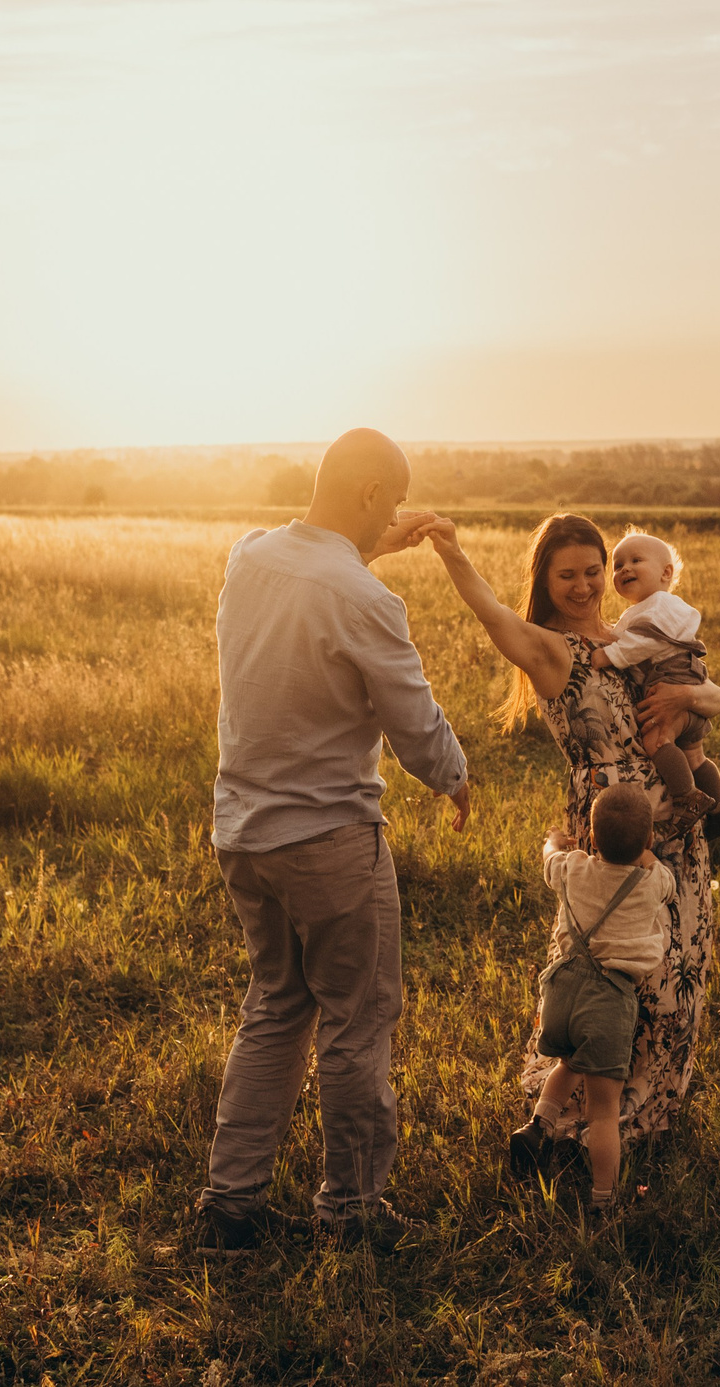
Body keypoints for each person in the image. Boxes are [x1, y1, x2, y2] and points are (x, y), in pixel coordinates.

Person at [193, 428, 472, 1254]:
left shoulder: (249, 557)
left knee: (276, 1008)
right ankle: (351, 1213)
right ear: (366, 497)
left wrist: (375, 542)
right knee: (358, 1019)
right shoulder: (365, 600)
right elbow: (414, 723)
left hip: (244, 832)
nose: (389, 517)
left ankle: (228, 1208)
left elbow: (325, 577)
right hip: (330, 839)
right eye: (385, 501)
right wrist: (453, 773)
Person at [421, 512, 720, 1159]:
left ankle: (652, 1103)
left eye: (595, 569)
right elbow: (491, 613)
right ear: (547, 579)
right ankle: (576, 1117)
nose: (587, 584)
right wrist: (451, 550)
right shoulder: (551, 650)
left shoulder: (633, 630)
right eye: (569, 574)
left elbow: (708, 690)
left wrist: (683, 698)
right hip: (611, 831)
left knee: (678, 962)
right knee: (610, 968)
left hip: (675, 821)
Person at [523, 783, 675, 1212]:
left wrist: (554, 840)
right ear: (646, 842)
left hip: (562, 992)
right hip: (609, 999)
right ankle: (603, 1198)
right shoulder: (650, 883)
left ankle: (539, 1126)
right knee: (603, 1110)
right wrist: (645, 854)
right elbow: (667, 882)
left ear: (590, 840)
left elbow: (549, 857)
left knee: (569, 1060)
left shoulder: (573, 867)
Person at [590, 530, 720, 842]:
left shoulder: (658, 605)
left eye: (635, 560)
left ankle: (688, 798)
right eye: (617, 565)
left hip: (670, 679)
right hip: (690, 682)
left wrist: (608, 656)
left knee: (657, 740)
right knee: (694, 757)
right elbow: (626, 633)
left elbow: (642, 642)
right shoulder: (646, 609)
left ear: (665, 573)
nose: (624, 569)